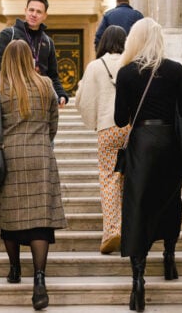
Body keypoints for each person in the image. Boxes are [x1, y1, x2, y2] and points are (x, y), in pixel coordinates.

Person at [114, 18, 182, 312]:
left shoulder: (125, 74)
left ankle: (138, 280)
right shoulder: (175, 70)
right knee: (169, 201)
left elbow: (121, 119)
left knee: (138, 205)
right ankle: (169, 259)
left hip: (141, 145)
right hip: (170, 143)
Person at [0, 40, 66, 311]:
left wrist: (3, 146)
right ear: (31, 58)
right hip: (41, 156)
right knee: (40, 221)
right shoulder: (46, 85)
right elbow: (53, 123)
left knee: (10, 216)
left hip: (11, 157)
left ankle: (14, 269)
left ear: (6, 59)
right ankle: (40, 279)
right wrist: (42, 141)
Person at [74, 25, 128, 255]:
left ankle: (112, 230)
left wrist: (94, 121)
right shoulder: (132, 63)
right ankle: (131, 230)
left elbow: (82, 99)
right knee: (130, 179)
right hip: (133, 129)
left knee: (109, 179)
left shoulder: (95, 66)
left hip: (108, 127)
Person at [0, 0, 69, 107]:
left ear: (45, 15)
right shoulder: (9, 34)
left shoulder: (48, 42)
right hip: (13, 97)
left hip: (40, 98)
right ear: (25, 11)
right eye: (31, 10)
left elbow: (53, 75)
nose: (34, 14)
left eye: (39, 12)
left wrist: (61, 94)